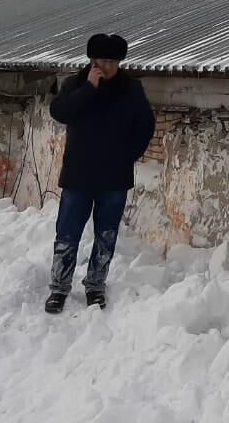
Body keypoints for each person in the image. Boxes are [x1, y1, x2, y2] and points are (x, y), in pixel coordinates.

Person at [44, 33, 154, 314]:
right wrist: (89, 90)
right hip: (78, 176)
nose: (108, 66)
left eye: (113, 61)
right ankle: (59, 288)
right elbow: (60, 112)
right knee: (67, 233)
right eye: (103, 60)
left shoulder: (131, 89)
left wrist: (127, 155)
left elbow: (145, 126)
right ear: (92, 61)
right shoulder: (75, 84)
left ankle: (95, 285)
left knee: (106, 235)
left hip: (114, 178)